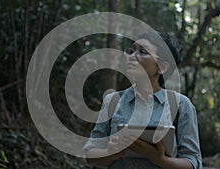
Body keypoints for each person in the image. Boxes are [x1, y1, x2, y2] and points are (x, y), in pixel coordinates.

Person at [84, 31, 202, 169]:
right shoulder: (112, 101)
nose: (132, 56)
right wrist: (110, 152)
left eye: (142, 51)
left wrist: (159, 159)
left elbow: (193, 162)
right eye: (131, 50)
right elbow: (90, 155)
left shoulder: (182, 105)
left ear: (162, 67)